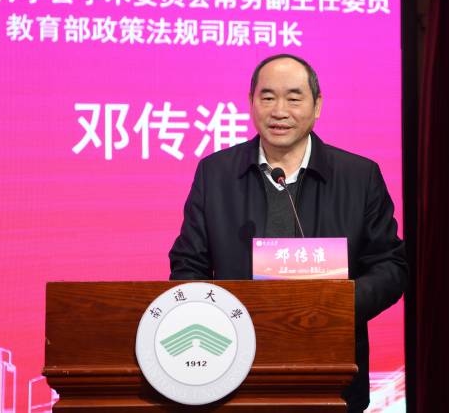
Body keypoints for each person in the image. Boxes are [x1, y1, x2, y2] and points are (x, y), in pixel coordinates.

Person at [169, 54, 407, 412]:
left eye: (294, 98)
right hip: (234, 370)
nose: (279, 111)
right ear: (251, 103)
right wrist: (217, 323)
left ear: (317, 106)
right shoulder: (215, 174)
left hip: (332, 373)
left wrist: (335, 307)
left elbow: (390, 266)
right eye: (267, 97)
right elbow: (188, 265)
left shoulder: (359, 176)